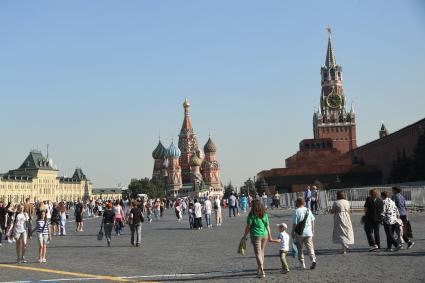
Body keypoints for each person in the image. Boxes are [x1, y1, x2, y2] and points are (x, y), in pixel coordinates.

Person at [242, 200, 272, 278]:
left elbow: (248, 227)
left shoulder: (251, 215)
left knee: (258, 253)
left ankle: (262, 270)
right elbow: (267, 225)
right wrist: (269, 235)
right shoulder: (264, 214)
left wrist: (244, 236)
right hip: (264, 234)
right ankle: (260, 268)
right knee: (262, 251)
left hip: (256, 235)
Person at [292, 198, 316, 270]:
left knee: (300, 248)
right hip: (309, 232)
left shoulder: (296, 211)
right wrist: (313, 230)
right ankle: (313, 260)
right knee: (310, 247)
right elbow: (313, 220)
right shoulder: (308, 210)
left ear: (298, 203)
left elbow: (295, 223)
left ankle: (302, 263)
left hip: (299, 233)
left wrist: (292, 231)